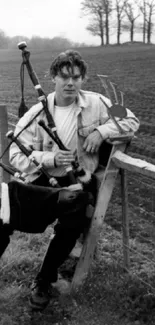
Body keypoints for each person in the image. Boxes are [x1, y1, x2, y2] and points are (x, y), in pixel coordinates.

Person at [9, 49, 140, 310]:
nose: (71, 83)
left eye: (77, 78)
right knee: (11, 214)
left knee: (76, 213)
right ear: (53, 78)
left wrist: (102, 131)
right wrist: (50, 159)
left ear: (83, 79)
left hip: (78, 183)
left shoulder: (99, 102)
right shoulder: (37, 112)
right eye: (65, 77)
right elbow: (15, 154)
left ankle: (43, 280)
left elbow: (131, 120)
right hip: (42, 180)